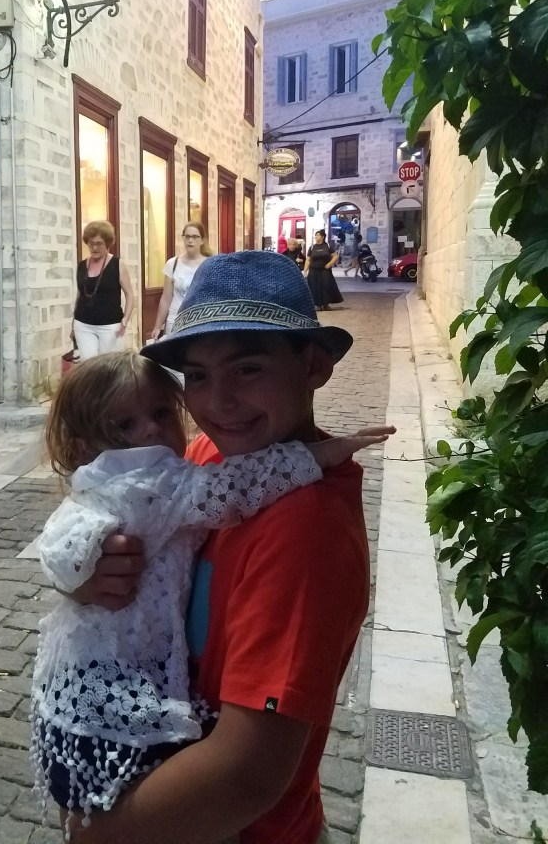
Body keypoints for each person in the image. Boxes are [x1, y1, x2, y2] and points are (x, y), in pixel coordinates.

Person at [63, 250, 381, 844]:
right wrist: (88, 576)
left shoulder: (302, 528)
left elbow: (246, 774)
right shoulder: (216, 455)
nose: (218, 403)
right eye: (199, 377)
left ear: (313, 365)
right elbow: (131, 523)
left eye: (248, 368)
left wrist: (96, 834)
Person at [73, 221, 135, 359]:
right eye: (91, 243)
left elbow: (130, 295)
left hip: (110, 325)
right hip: (83, 324)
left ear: (107, 243)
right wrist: (73, 323)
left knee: (109, 365)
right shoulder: (81, 266)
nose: (94, 247)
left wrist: (125, 319)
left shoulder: (117, 264)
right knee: (89, 365)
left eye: (99, 243)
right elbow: (80, 295)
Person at [149, 222, 212, 340]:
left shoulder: (209, 264)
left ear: (202, 240)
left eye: (195, 237)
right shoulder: (173, 264)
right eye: (187, 236)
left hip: (199, 319)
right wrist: (157, 326)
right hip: (175, 319)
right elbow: (166, 298)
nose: (190, 240)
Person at [304, 229, 343, 311]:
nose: (316, 237)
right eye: (315, 235)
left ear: (322, 237)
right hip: (313, 270)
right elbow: (308, 260)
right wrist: (305, 270)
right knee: (314, 287)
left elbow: (335, 256)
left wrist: (330, 264)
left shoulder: (328, 246)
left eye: (317, 235)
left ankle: (326, 304)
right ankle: (317, 305)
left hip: (325, 270)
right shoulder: (312, 247)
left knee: (326, 286)